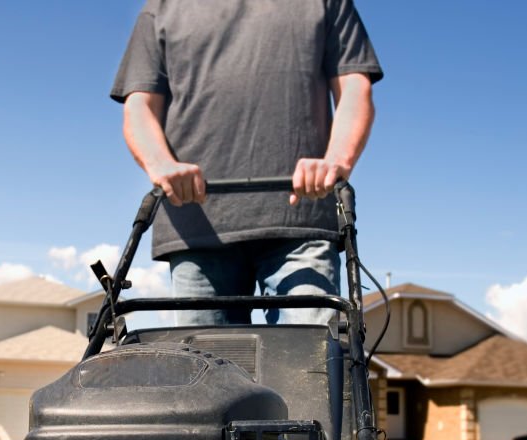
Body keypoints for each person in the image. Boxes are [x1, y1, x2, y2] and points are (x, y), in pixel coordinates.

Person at [111, 0, 383, 326]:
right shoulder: (161, 8)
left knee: (308, 366)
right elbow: (139, 106)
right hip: (197, 225)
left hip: (301, 220)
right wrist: (161, 165)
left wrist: (336, 161)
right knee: (205, 371)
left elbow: (355, 86)